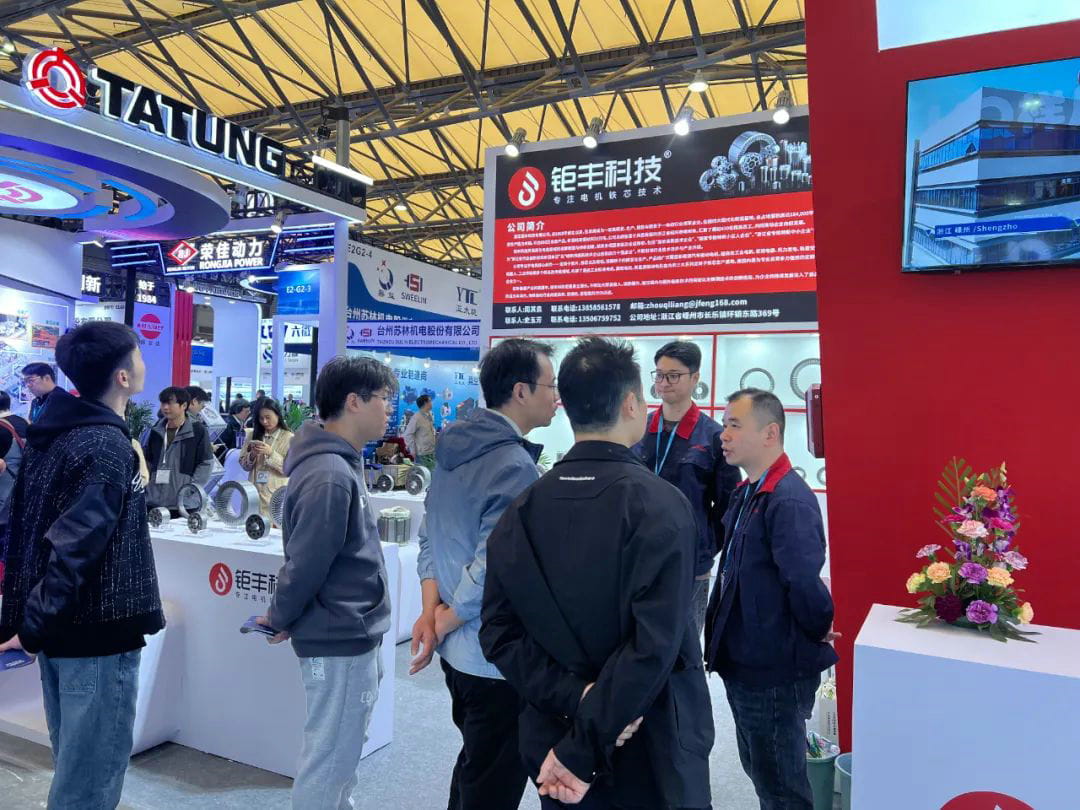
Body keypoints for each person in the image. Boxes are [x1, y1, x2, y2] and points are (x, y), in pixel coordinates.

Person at [480, 336, 713, 810]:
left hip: (554, 738)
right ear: (630, 404)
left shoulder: (522, 509)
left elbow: (498, 632)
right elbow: (655, 645)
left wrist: (577, 701)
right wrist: (584, 746)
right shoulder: (662, 507)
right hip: (650, 743)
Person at [0, 321, 165, 809]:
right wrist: (32, 626)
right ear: (122, 376)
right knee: (89, 778)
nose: (144, 363)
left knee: (77, 765)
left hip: (66, 629)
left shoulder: (59, 432)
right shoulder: (103, 444)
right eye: (138, 355)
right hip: (96, 633)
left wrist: (32, 622)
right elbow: (75, 547)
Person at [410, 338, 559, 810]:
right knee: (491, 780)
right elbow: (494, 564)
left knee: (476, 762)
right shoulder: (514, 465)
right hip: (493, 655)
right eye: (551, 386)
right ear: (521, 391)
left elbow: (429, 535)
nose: (557, 397)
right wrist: (444, 619)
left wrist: (432, 613)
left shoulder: (453, 448)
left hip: (457, 651)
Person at [257, 356, 397, 810]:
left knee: (340, 754)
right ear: (354, 402)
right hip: (339, 635)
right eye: (384, 398)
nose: (389, 408)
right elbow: (306, 563)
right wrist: (280, 615)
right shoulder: (330, 474)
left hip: (348, 630)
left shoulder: (337, 464)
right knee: (330, 758)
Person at [703, 389, 838, 810]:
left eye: (734, 425)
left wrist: (817, 628)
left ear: (770, 433)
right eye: (724, 425)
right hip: (745, 661)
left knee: (781, 786)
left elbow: (803, 583)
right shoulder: (749, 491)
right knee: (762, 771)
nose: (723, 435)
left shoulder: (788, 499)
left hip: (773, 669)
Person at [633, 341, 740, 637]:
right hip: (639, 557)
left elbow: (730, 504)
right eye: (659, 375)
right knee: (639, 639)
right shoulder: (638, 429)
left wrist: (705, 545)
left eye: (673, 376)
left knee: (685, 641)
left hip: (690, 563)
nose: (663, 382)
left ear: (695, 378)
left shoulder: (714, 436)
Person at [142, 386, 214, 511]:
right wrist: (147, 487)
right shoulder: (156, 430)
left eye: (170, 403)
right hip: (154, 501)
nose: (165, 407)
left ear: (184, 405)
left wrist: (190, 490)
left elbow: (206, 463)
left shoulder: (197, 430)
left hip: (183, 504)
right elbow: (147, 461)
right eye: (163, 403)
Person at [239, 398, 293, 518]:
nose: (264, 421)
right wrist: (252, 455)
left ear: (277, 414)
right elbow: (243, 465)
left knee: (273, 526)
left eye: (268, 417)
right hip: (252, 494)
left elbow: (289, 470)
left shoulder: (289, 438)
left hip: (275, 496)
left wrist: (271, 453)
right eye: (261, 418)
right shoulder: (252, 435)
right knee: (250, 525)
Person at [402, 394, 437, 469]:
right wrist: (413, 450)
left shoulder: (429, 415)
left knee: (431, 474)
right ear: (425, 403)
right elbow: (408, 434)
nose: (432, 403)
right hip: (421, 454)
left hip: (431, 451)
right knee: (423, 474)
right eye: (430, 401)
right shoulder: (416, 418)